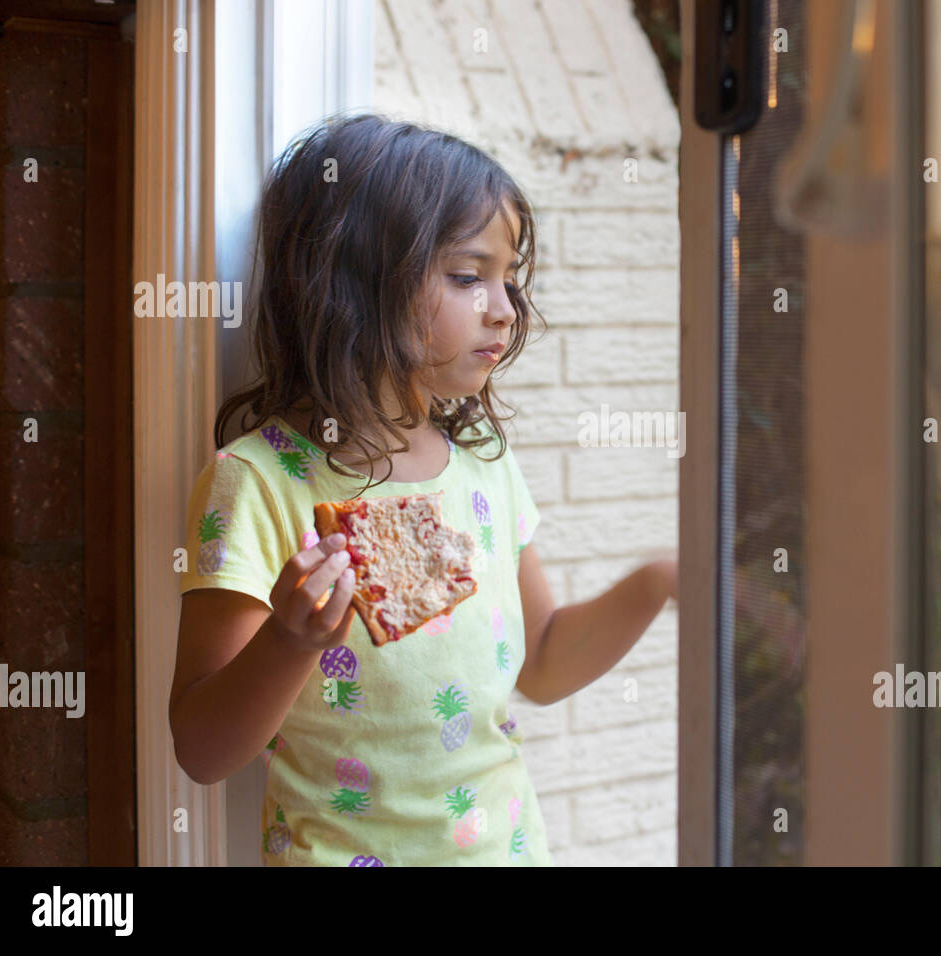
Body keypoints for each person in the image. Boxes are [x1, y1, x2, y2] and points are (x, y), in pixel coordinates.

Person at [170, 113, 678, 866]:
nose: (504, 308)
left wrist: (664, 578)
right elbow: (203, 750)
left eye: (508, 278)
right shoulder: (258, 483)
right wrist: (288, 639)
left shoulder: (487, 466)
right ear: (357, 280)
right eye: (469, 276)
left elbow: (540, 660)